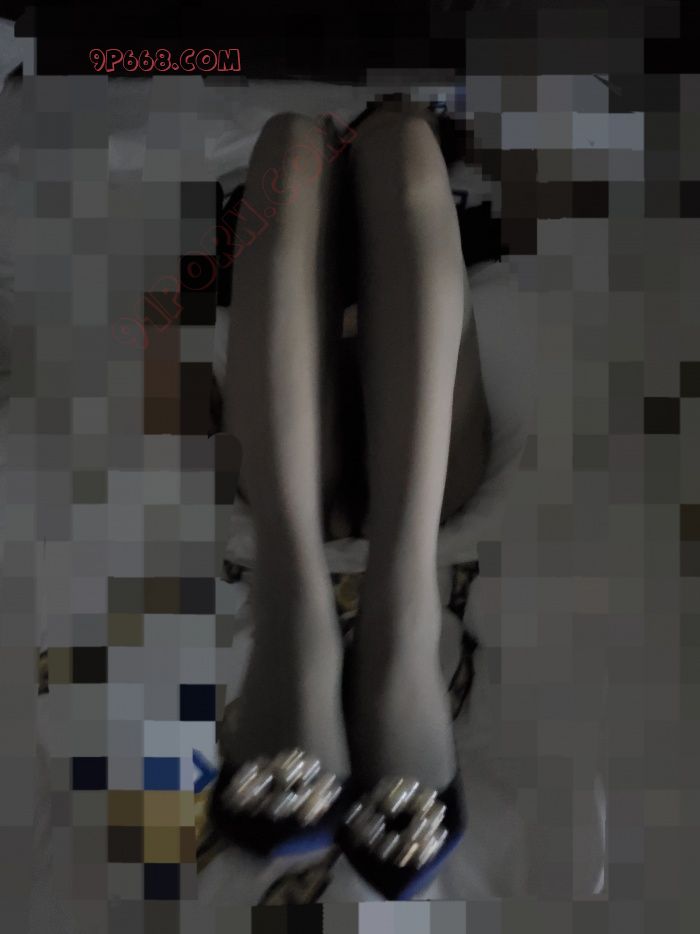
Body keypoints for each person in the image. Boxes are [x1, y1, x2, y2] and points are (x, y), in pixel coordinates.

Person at [211, 97, 494, 897]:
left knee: (308, 141)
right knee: (362, 143)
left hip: (344, 460)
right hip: (373, 460)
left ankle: (346, 613)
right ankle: (355, 616)